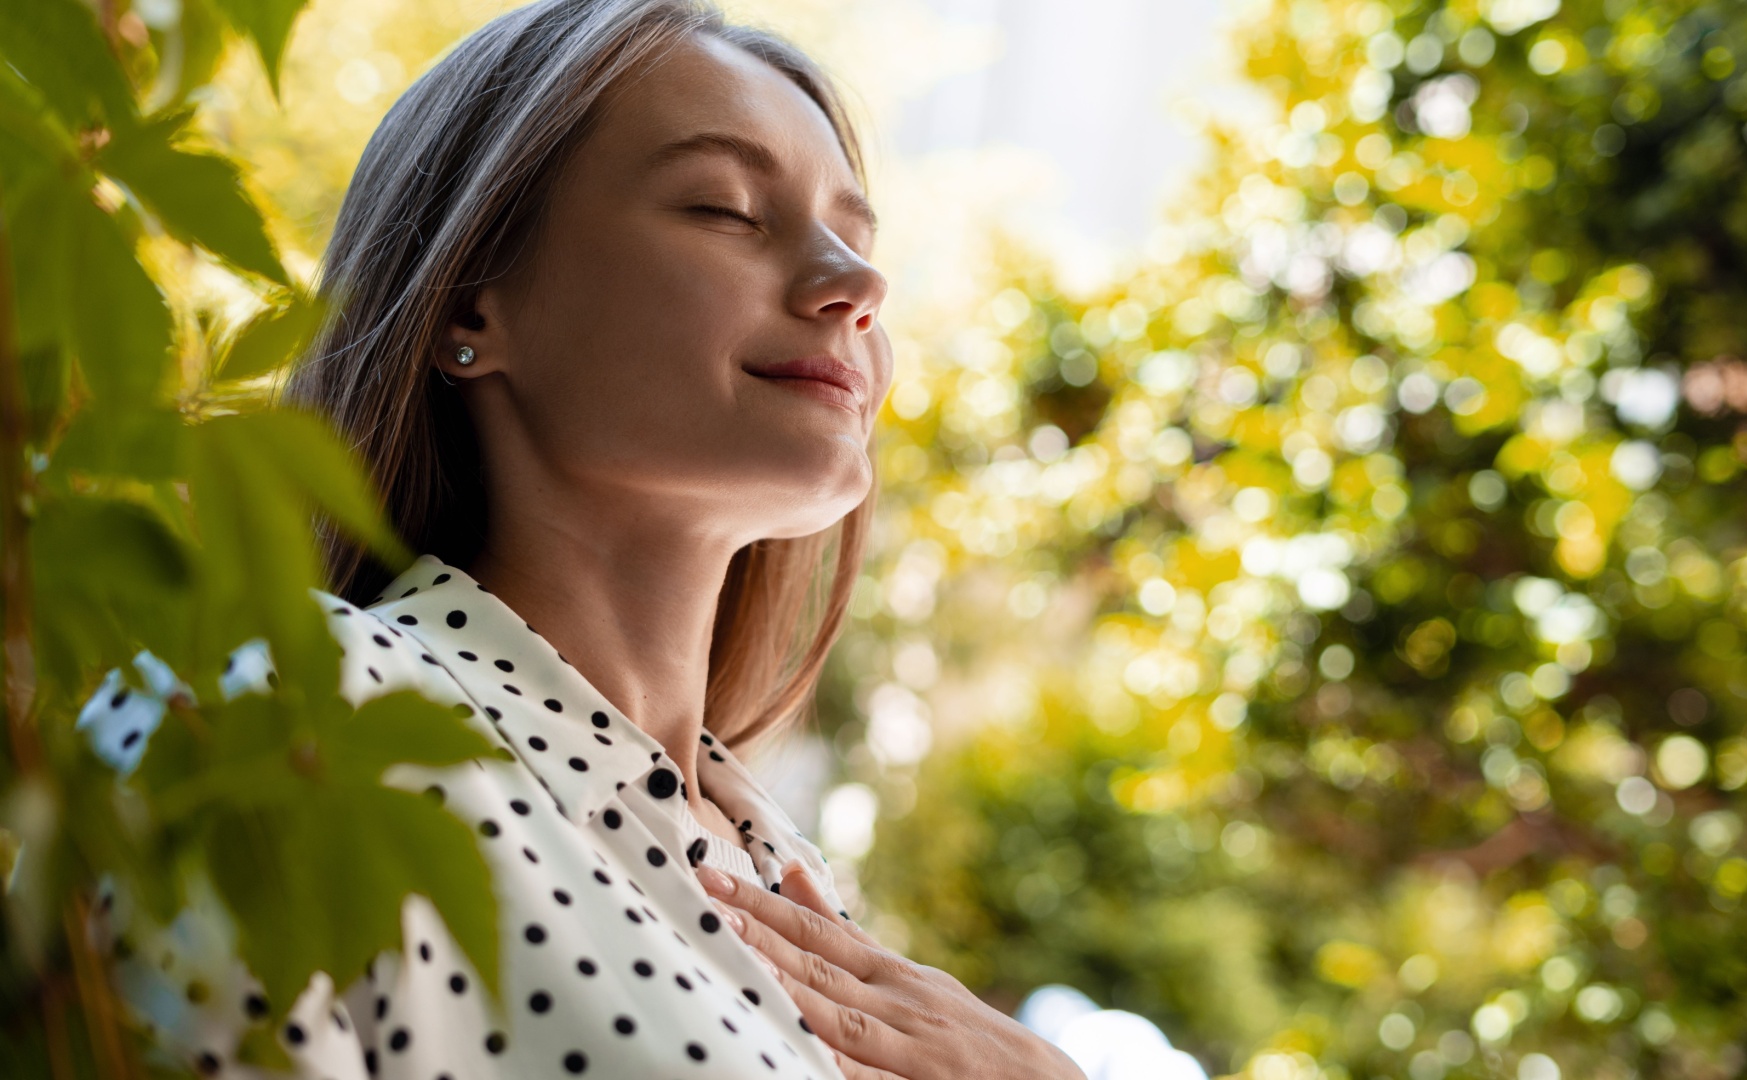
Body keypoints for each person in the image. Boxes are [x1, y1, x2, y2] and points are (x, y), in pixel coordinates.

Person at [98, 1, 1088, 1078]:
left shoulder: (782, 870)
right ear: (470, 307)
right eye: (726, 208)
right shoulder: (280, 710)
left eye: (856, 237)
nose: (858, 284)